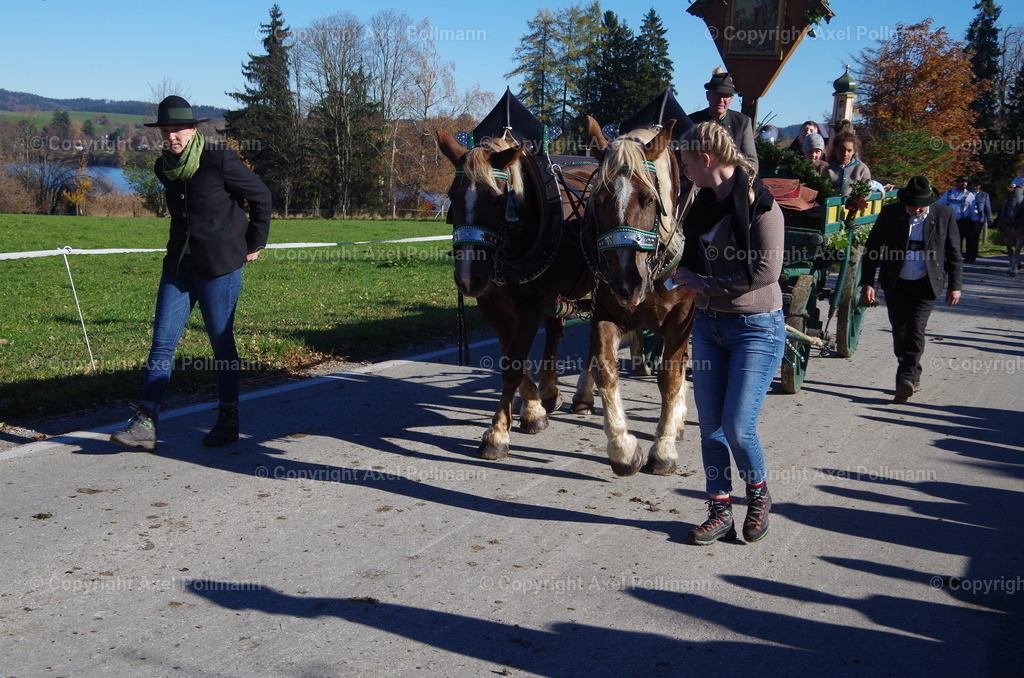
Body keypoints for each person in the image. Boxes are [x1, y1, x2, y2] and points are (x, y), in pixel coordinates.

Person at [110, 96, 272, 450]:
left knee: (221, 344)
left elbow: (261, 197)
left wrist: (254, 244)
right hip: (179, 267)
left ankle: (228, 418)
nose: (171, 137)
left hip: (220, 267)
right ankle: (145, 423)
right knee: (161, 344)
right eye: (165, 132)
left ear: (193, 129)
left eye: (177, 130)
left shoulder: (219, 158)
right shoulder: (163, 167)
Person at [670, 121, 785, 545]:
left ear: (706, 159)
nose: (682, 169)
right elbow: (693, 257)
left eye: (685, 162)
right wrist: (682, 276)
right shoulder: (700, 205)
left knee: (739, 426)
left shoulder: (762, 206)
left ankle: (758, 494)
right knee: (711, 427)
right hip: (710, 327)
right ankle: (719, 510)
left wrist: (705, 285)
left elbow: (766, 272)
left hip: (756, 329)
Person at [859, 175, 963, 403]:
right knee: (900, 332)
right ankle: (911, 370)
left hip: (926, 283)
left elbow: (954, 253)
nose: (917, 210)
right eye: (913, 205)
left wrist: (955, 286)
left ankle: (905, 379)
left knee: (916, 329)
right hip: (897, 281)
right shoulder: (891, 214)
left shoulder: (944, 215)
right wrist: (868, 283)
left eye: (921, 205)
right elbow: (872, 249)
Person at [689, 67, 759, 174]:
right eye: (717, 95)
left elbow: (751, 162)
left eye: (726, 96)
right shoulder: (692, 121)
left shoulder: (742, 122)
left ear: (731, 99)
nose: (721, 100)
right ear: (708, 96)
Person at [937, 176, 977, 262]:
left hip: (962, 222)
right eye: (962, 181)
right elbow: (940, 205)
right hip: (948, 221)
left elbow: (973, 209)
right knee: (946, 239)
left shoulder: (970, 195)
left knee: (959, 240)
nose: (964, 184)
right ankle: (946, 256)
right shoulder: (948, 193)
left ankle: (957, 257)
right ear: (957, 182)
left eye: (966, 182)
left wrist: (975, 221)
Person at [822, 130, 870, 196]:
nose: (845, 154)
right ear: (835, 150)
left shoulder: (861, 169)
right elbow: (822, 192)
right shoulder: (828, 170)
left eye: (849, 151)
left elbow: (867, 191)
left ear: (854, 151)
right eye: (841, 150)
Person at [969, 179, 992, 250]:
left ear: (980, 186)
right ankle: (967, 254)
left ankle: (973, 254)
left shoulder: (984, 195)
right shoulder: (968, 194)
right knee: (968, 236)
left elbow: (987, 207)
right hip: (968, 218)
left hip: (979, 219)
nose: (975, 187)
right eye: (973, 186)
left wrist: (989, 219)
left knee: (975, 236)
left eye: (977, 186)